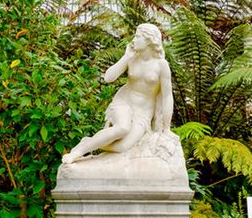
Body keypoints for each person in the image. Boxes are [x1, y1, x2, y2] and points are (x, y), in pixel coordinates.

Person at [62, 23, 173, 163]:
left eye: (138, 37)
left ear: (149, 40)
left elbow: (167, 96)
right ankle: (78, 152)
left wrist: (166, 128)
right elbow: (108, 78)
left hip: (143, 112)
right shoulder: (132, 58)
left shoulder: (161, 65)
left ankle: (89, 142)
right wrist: (126, 57)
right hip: (124, 102)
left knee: (123, 146)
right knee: (122, 127)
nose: (133, 40)